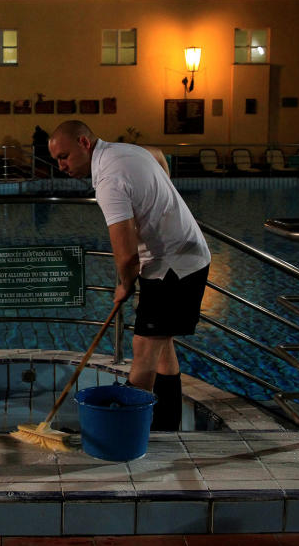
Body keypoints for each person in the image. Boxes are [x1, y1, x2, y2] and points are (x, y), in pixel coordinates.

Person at [48, 120, 210, 431]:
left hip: (173, 267)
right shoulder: (126, 151)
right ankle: (166, 425)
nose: (61, 166)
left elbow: (126, 256)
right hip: (184, 257)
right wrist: (161, 205)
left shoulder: (109, 181)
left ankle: (128, 432)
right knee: (162, 345)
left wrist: (124, 286)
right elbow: (159, 155)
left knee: (144, 347)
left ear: (84, 143)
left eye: (64, 156)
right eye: (57, 160)